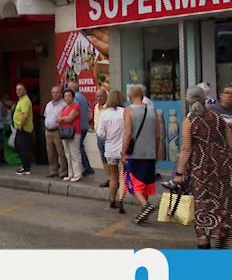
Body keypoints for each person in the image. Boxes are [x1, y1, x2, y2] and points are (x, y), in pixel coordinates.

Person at [168, 86, 232, 248]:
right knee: (222, 204)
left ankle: (204, 242)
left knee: (202, 204)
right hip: (222, 168)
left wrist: (179, 173)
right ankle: (221, 235)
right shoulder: (219, 119)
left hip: (200, 170)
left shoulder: (189, 121)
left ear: (189, 100)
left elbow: (186, 149)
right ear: (205, 99)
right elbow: (230, 144)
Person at [122, 84, 164, 225]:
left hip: (135, 153)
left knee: (133, 183)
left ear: (130, 96)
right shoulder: (153, 111)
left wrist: (123, 152)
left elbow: (127, 133)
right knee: (145, 183)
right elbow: (158, 135)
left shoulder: (128, 111)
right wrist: (156, 152)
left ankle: (146, 206)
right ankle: (143, 212)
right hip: (150, 153)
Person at [94, 90, 127, 211]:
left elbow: (100, 133)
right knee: (123, 176)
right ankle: (121, 200)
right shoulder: (125, 112)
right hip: (123, 149)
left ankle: (112, 199)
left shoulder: (105, 113)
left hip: (110, 149)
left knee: (113, 177)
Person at [68, 82, 94, 177]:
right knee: (80, 147)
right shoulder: (83, 97)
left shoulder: (75, 99)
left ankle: (86, 168)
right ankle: (86, 167)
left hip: (78, 126)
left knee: (77, 148)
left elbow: (73, 112)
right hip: (85, 125)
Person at [57, 88, 83, 182]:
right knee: (67, 154)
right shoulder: (64, 108)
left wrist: (62, 119)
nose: (67, 98)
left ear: (73, 97)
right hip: (65, 132)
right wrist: (63, 119)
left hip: (74, 132)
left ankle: (77, 174)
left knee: (74, 153)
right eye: (65, 96)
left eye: (69, 96)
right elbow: (58, 119)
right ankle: (70, 173)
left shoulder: (75, 106)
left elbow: (70, 118)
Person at [43, 86, 68, 179]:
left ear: (60, 93)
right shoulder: (48, 104)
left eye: (57, 92)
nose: (55, 94)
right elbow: (46, 116)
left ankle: (63, 171)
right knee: (50, 152)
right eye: (53, 92)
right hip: (48, 131)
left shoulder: (64, 105)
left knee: (61, 152)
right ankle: (53, 170)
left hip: (58, 130)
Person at [13, 84, 33, 175]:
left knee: (23, 148)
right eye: (17, 89)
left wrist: (21, 126)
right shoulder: (21, 100)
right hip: (19, 128)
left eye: (20, 89)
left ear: (25, 90)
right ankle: (24, 165)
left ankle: (26, 168)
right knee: (19, 146)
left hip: (24, 128)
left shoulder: (25, 100)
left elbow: (25, 115)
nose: (18, 91)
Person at [92, 88, 109, 187]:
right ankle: (109, 178)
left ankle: (115, 179)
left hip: (108, 138)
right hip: (99, 136)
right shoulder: (96, 107)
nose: (99, 98)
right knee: (103, 158)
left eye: (101, 96)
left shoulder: (109, 107)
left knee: (109, 159)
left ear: (106, 96)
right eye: (97, 96)